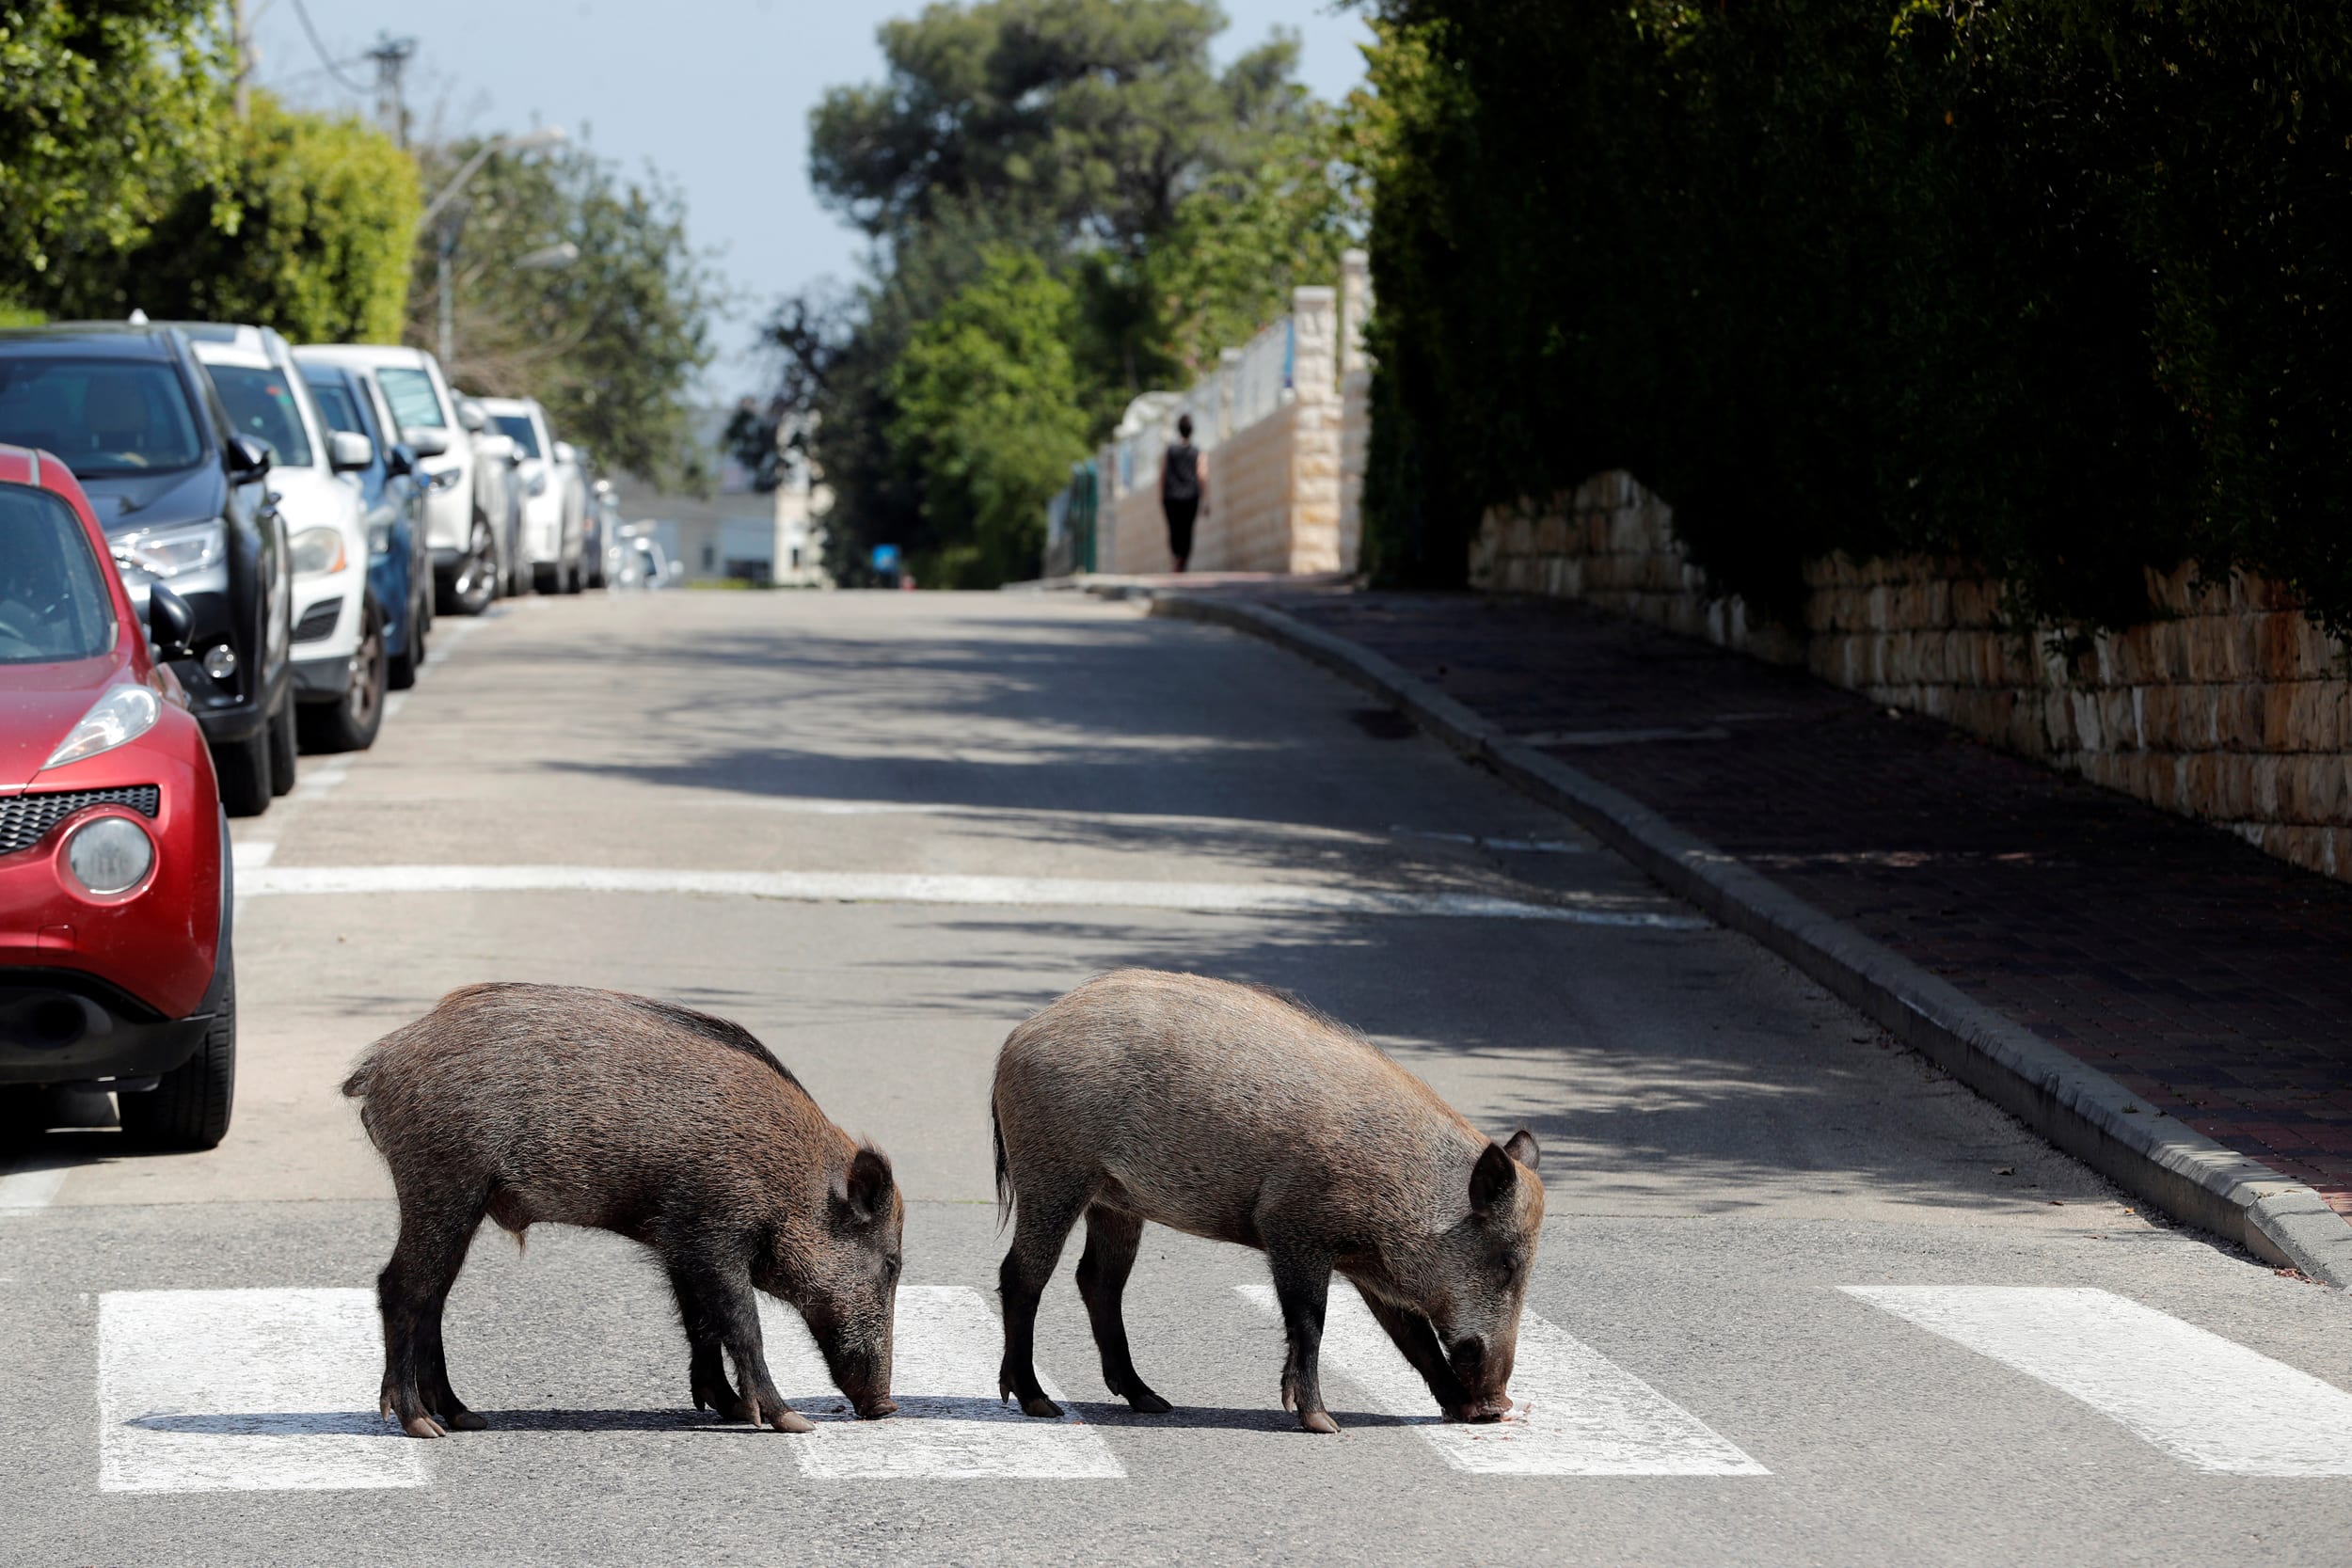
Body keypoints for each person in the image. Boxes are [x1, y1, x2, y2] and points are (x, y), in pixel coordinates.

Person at [1159, 414, 1206, 573]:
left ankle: (1176, 557)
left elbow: (1163, 473)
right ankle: (1183, 560)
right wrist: (1206, 498)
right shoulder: (1197, 452)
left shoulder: (1170, 451)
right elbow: (1202, 474)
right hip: (1191, 496)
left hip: (1171, 496)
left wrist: (1161, 495)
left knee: (1174, 529)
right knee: (1187, 529)